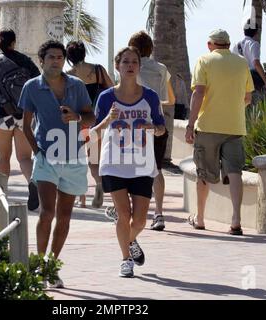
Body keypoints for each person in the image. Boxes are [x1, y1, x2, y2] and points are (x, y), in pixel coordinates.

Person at [19, 40, 95, 287]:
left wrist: (77, 118)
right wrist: (36, 152)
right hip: (46, 157)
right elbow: (26, 125)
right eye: (51, 57)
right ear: (41, 60)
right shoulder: (31, 87)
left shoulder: (77, 85)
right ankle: (40, 266)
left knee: (64, 216)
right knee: (47, 212)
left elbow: (90, 117)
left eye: (60, 57)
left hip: (73, 157)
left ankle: (52, 266)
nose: (56, 60)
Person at [91, 46, 165, 278]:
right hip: (114, 163)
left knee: (140, 219)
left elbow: (162, 128)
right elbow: (92, 133)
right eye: (125, 62)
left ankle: (130, 239)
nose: (130, 65)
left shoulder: (150, 96)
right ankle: (125, 260)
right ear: (117, 66)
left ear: (139, 67)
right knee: (124, 215)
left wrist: (153, 128)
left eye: (134, 62)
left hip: (142, 164)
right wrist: (107, 119)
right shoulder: (105, 98)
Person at [104, 31, 175, 232]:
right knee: (157, 169)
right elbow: (171, 99)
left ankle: (121, 209)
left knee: (128, 165)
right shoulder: (161, 69)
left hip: (131, 127)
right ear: (151, 47)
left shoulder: (129, 68)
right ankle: (159, 213)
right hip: (156, 124)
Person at [185, 29, 254, 235]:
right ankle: (236, 219)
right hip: (234, 127)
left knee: (203, 173)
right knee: (235, 172)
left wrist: (190, 124)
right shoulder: (241, 62)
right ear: (228, 43)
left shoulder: (204, 61)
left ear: (210, 45)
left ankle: (200, 218)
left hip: (207, 127)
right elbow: (248, 98)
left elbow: (198, 93)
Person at [0, 29, 40, 211]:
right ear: (14, 42)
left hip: (3, 116)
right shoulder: (25, 61)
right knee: (24, 157)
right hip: (23, 115)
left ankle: (1, 194)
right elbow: (37, 83)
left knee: (3, 156)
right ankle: (33, 182)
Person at [66, 40, 114, 208]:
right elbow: (112, 90)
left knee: (78, 160)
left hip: (78, 122)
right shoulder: (98, 70)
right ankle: (99, 185)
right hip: (97, 121)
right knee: (94, 160)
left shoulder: (68, 74)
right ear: (84, 53)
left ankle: (82, 198)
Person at [232, 19, 266, 94]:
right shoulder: (253, 44)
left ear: (244, 30)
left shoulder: (235, 45)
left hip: (239, 79)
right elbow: (256, 63)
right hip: (252, 80)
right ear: (256, 32)